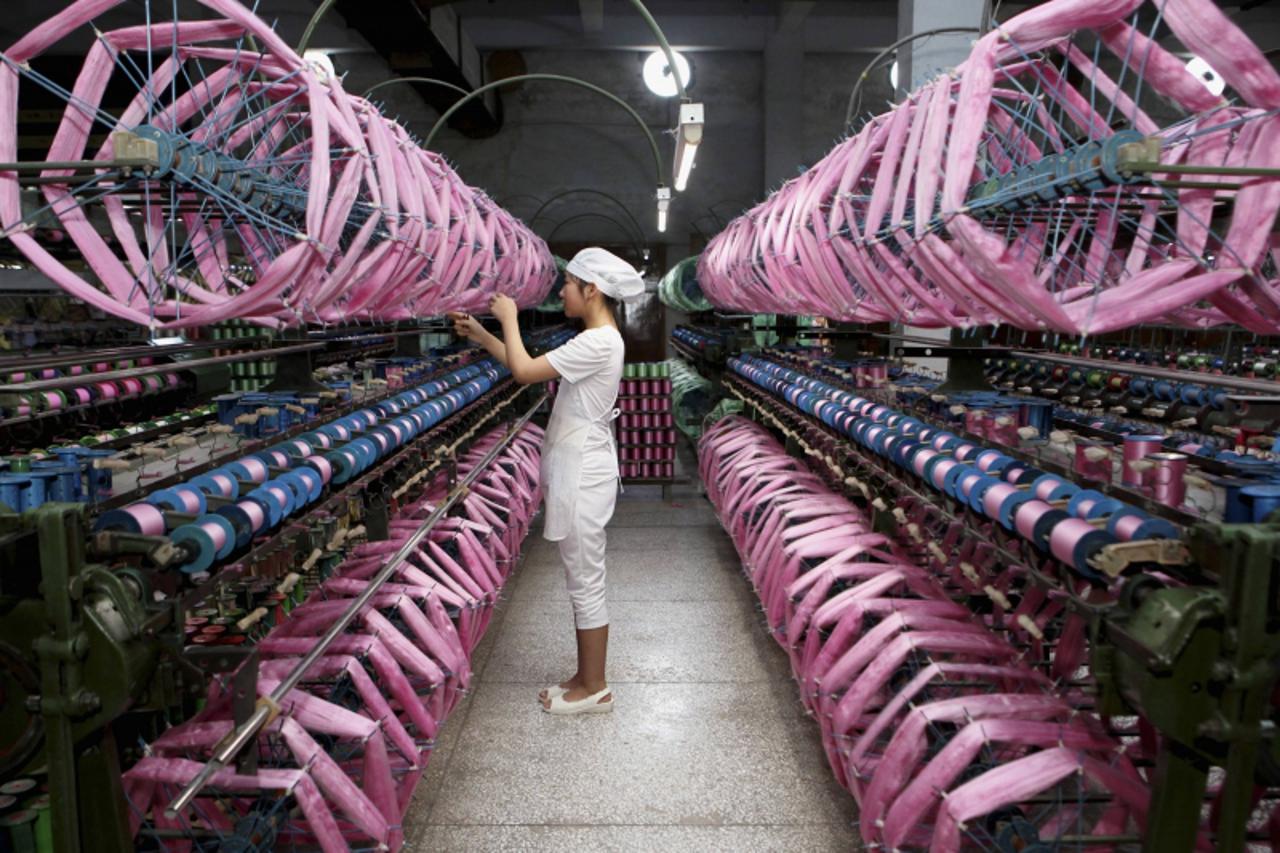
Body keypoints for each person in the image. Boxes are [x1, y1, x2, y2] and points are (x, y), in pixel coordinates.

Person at [449, 247, 644, 715]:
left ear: (591, 290)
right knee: (581, 575)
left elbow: (522, 372)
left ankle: (595, 688)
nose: (562, 292)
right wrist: (483, 335)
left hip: (585, 474)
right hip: (579, 467)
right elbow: (533, 367)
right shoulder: (597, 339)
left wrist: (510, 317)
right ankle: (583, 676)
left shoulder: (598, 341)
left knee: (585, 579)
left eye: (569, 285)